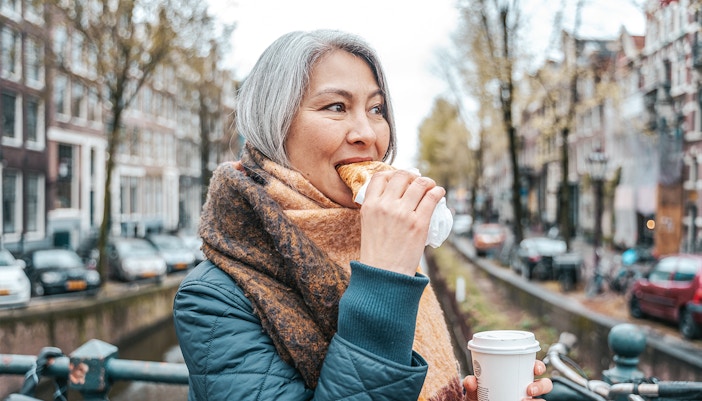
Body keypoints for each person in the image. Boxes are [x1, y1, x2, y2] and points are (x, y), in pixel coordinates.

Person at [172, 29, 553, 401]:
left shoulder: (362, 235)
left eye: (376, 109)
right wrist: (384, 279)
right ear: (274, 124)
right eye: (336, 107)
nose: (367, 133)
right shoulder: (212, 299)